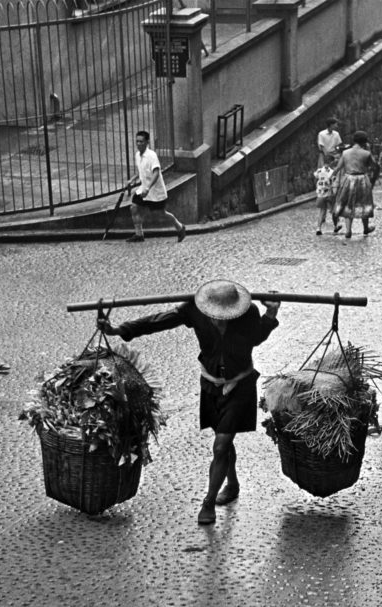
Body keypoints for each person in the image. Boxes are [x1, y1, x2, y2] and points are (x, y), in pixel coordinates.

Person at [97, 279, 280, 525]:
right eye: (216, 316)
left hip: (240, 385)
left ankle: (208, 502)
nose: (221, 319)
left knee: (221, 444)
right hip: (210, 384)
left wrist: (271, 312)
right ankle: (233, 483)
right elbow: (159, 320)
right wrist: (120, 330)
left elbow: (257, 338)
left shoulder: (248, 314)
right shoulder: (194, 309)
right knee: (223, 440)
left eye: (227, 315)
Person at [126, 130, 186, 243]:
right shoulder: (137, 155)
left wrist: (148, 187)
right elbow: (141, 172)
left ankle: (180, 227)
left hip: (155, 192)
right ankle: (139, 235)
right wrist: (132, 179)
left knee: (160, 214)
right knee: (133, 207)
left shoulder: (152, 156)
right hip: (143, 190)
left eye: (141, 142)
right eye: (137, 141)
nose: (139, 144)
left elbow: (156, 173)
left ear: (147, 142)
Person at [332, 131, 379, 238]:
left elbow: (338, 167)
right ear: (364, 142)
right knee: (364, 203)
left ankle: (348, 230)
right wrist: (370, 151)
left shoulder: (345, 153)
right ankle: (365, 228)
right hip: (362, 179)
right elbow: (375, 166)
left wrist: (331, 177)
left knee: (347, 204)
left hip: (348, 179)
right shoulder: (366, 153)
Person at [313, 154, 341, 235]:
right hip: (328, 193)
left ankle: (318, 228)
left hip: (320, 194)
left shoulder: (318, 171)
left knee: (322, 211)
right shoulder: (332, 172)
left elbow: (315, 177)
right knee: (333, 210)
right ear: (331, 162)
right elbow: (334, 182)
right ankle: (336, 225)